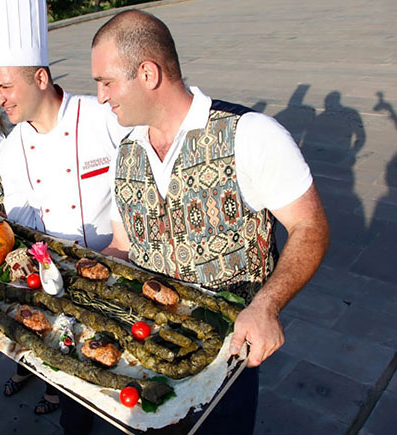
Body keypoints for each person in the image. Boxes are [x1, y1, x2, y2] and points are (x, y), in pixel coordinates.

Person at [89, 10, 330, 434]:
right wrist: (82, 275)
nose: (101, 97)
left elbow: (311, 227)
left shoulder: (249, 134)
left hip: (226, 359)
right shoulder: (125, 152)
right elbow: (123, 244)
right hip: (149, 353)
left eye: (106, 82)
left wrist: (266, 306)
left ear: (147, 73)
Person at [0, 0, 131, 417]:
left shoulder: (101, 116)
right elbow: (24, 221)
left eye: (5, 87)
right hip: (59, 283)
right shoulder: (11, 151)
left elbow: (137, 184)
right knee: (75, 385)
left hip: (121, 272)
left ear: (41, 77)